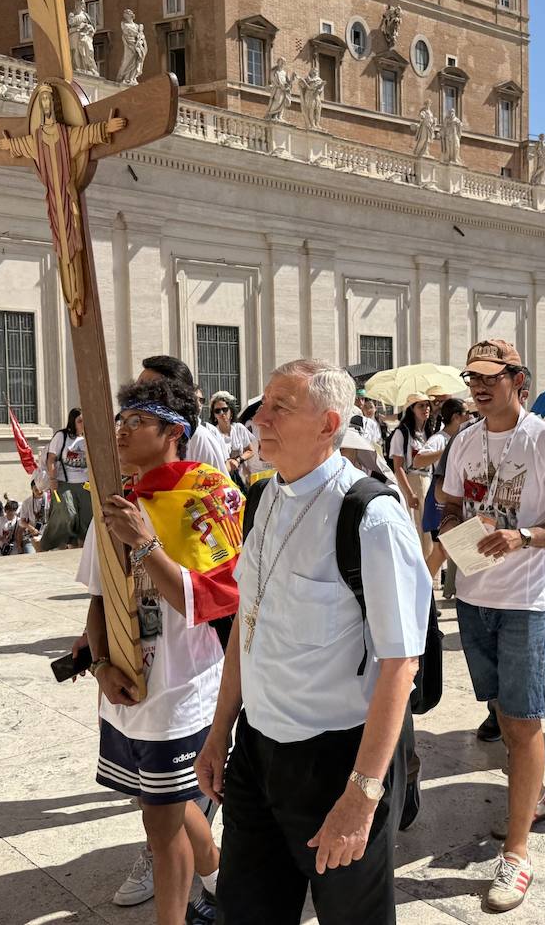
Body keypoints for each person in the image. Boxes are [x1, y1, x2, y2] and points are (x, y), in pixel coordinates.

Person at [196, 359, 430, 925]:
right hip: (256, 750)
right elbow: (246, 631)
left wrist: (362, 794)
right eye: (263, 404)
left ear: (328, 425)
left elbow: (401, 664)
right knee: (245, 911)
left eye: (280, 406)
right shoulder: (261, 498)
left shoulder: (371, 518)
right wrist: (219, 731)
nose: (259, 418)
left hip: (338, 760)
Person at [84, 375, 240, 925]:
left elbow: (215, 600)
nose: (121, 432)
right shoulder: (115, 499)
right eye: (119, 422)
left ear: (173, 431)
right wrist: (101, 663)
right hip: (126, 686)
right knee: (160, 800)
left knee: (161, 823)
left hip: (183, 688)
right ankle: (219, 873)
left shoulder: (209, 497)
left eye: (136, 422)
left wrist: (145, 543)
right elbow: (100, 596)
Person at [438, 340, 545, 912]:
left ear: (517, 380)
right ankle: (535, 793)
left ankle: (517, 853)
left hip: (524, 600)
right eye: (471, 376)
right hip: (473, 595)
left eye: (489, 377)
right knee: (500, 709)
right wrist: (461, 530)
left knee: (523, 723)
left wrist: (524, 537)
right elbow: (446, 508)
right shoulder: (464, 441)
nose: (477, 385)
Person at [418, 398, 472, 598]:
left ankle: (429, 591)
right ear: (456, 417)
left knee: (445, 550)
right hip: (440, 498)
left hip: (453, 497)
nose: (470, 416)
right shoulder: (441, 438)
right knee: (441, 550)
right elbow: (418, 459)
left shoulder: (464, 436)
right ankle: (419, 592)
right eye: (466, 412)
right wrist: (448, 451)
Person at [388, 393, 436, 557]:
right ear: (411, 409)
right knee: (415, 527)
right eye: (420, 406)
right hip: (412, 481)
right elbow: (398, 467)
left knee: (428, 529)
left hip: (429, 481)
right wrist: (410, 493)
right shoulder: (402, 433)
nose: (426, 409)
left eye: (427, 405)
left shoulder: (431, 432)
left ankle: (432, 573)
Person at [43, 408, 93, 550]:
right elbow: (51, 458)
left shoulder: (87, 438)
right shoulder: (62, 436)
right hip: (65, 483)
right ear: (73, 421)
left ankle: (82, 551)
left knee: (86, 520)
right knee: (68, 516)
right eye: (80, 421)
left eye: (85, 421)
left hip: (85, 485)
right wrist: (52, 479)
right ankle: (56, 546)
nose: (83, 424)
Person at [208, 391, 256, 483]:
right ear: (214, 415)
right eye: (217, 411)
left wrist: (238, 460)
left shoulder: (239, 428)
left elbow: (250, 451)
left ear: (231, 411)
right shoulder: (211, 433)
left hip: (241, 479)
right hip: (221, 480)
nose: (222, 413)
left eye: (225, 409)